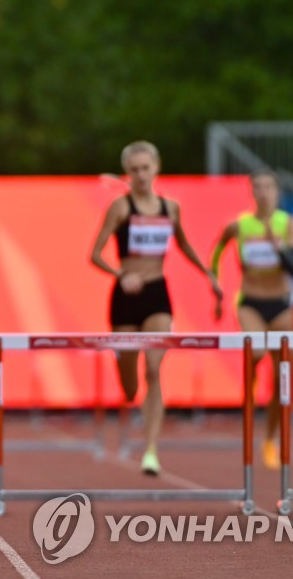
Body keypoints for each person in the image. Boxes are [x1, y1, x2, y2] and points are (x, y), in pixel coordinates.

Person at [89, 141, 222, 477]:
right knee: (131, 387)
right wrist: (121, 274)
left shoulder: (170, 208)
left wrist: (209, 275)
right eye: (134, 170)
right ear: (128, 173)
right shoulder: (120, 208)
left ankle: (150, 451)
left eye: (145, 168)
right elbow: (96, 254)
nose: (140, 175)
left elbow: (185, 245)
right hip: (125, 297)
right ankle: (125, 371)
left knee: (154, 368)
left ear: (156, 167)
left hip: (157, 295)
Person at [210, 170, 293, 470]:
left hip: (281, 304)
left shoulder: (288, 224)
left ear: (277, 192)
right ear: (252, 192)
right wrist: (217, 287)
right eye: (258, 187)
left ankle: (270, 440)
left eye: (268, 187)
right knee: (257, 351)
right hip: (250, 302)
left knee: (280, 378)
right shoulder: (240, 225)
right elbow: (218, 250)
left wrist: (279, 247)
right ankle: (249, 385)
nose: (263, 192)